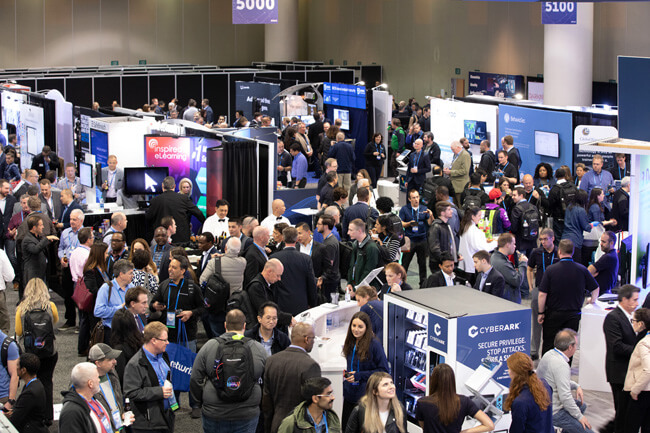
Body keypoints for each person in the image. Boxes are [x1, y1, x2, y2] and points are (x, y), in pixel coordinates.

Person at [190, 309, 267, 433]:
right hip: (247, 412)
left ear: (225, 325)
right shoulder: (258, 348)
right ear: (244, 325)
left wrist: (198, 403)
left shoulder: (209, 346)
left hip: (214, 411)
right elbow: (268, 380)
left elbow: (195, 378)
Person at [538, 239, 599, 355]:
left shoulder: (551, 270)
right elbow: (595, 288)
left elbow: (542, 294)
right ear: (573, 251)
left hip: (553, 315)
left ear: (559, 251)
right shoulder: (582, 269)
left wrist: (541, 313)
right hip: (573, 315)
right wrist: (592, 300)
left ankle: (547, 371)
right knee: (568, 347)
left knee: (549, 344)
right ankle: (565, 370)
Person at [263, 322, 321, 432]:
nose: (313, 342)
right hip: (300, 428)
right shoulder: (311, 366)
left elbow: (267, 403)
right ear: (306, 339)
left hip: (276, 425)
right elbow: (315, 404)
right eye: (313, 338)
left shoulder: (271, 361)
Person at [15, 278, 58, 422]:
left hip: (30, 353)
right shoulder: (50, 306)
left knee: (30, 382)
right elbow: (55, 322)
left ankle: (29, 414)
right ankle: (47, 416)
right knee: (47, 382)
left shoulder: (21, 309)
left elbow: (18, 331)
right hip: (48, 351)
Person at [537, 329, 594, 433]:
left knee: (582, 405)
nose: (576, 348)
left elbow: (557, 381)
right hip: (554, 411)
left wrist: (576, 386)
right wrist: (580, 417)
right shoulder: (561, 365)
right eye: (576, 345)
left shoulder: (549, 354)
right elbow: (565, 397)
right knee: (587, 430)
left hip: (545, 404)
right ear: (570, 347)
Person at [123, 321, 176, 433]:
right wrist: (159, 392)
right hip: (148, 424)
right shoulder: (135, 364)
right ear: (154, 340)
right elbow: (131, 392)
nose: (168, 342)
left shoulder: (164, 355)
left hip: (166, 416)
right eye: (164, 340)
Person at [341, 311, 389, 428]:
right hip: (349, 395)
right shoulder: (350, 342)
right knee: (346, 428)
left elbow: (384, 371)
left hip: (365, 397)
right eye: (354, 326)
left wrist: (359, 375)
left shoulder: (374, 345)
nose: (356, 329)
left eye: (360, 327)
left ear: (367, 328)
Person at [602, 284, 640, 433]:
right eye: (635, 300)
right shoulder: (613, 318)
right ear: (624, 299)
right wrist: (640, 351)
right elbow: (616, 347)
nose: (637, 303)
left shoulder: (632, 316)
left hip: (630, 371)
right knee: (622, 412)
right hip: (619, 373)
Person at [416, 363, 494, 433]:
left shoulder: (422, 403)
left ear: (433, 381)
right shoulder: (464, 401)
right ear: (452, 380)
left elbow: (424, 426)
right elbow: (489, 425)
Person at [526, 229, 559, 360]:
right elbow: (529, 269)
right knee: (536, 321)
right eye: (541, 239)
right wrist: (530, 287)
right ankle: (534, 350)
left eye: (545, 239)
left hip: (554, 292)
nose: (543, 242)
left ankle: (552, 349)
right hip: (539, 290)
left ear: (553, 239)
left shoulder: (559, 252)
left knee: (552, 322)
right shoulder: (537, 252)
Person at [270, 227, 318, 315]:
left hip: (280, 304)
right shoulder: (306, 259)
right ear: (296, 239)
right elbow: (311, 283)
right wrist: (313, 303)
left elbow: (271, 283)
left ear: (283, 239)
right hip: (301, 303)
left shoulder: (274, 258)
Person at [145, 176, 206, 244]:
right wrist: (205, 224)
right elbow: (198, 214)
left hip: (161, 240)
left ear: (162, 186)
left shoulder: (154, 201)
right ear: (174, 186)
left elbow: (148, 219)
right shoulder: (184, 199)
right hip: (182, 240)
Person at [505, 352, 553, 433]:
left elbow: (517, 430)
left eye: (509, 368)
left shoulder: (520, 402)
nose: (508, 371)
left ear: (515, 372)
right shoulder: (545, 385)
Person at [59, 362, 112, 433]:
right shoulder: (71, 413)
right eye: (97, 377)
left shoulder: (94, 398)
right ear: (90, 384)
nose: (99, 380)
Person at [111, 287, 148, 385]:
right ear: (133, 303)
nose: (147, 306)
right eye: (143, 303)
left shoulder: (141, 315)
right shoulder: (122, 318)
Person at [88, 343, 129, 431]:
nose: (115, 361)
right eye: (110, 359)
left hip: (119, 426)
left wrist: (122, 413)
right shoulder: (87, 384)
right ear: (98, 363)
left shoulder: (112, 373)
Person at [94, 259, 135, 344]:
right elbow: (98, 311)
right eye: (130, 273)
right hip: (112, 333)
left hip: (129, 332)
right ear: (121, 274)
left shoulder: (132, 287)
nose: (133, 275)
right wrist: (120, 309)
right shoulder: (106, 288)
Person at [622, 307, 650, 433]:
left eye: (633, 320)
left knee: (630, 426)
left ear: (641, 324)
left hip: (642, 392)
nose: (632, 323)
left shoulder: (644, 343)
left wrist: (635, 390)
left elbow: (648, 370)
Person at [399, 189, 434, 287]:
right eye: (414, 197)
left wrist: (431, 215)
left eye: (417, 197)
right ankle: (401, 283)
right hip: (410, 240)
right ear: (410, 199)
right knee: (405, 263)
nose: (416, 199)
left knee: (422, 264)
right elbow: (401, 223)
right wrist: (408, 224)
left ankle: (423, 284)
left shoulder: (424, 208)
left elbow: (430, 223)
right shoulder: (404, 209)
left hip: (422, 240)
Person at [8, 353, 48, 433]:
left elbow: (15, 419)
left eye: (18, 365)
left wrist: (11, 414)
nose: (16, 368)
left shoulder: (30, 392)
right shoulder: (36, 384)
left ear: (23, 370)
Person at [81, 242, 109, 355]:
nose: (107, 255)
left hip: (102, 304)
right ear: (100, 254)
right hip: (94, 306)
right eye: (106, 253)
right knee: (95, 330)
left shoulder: (102, 268)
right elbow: (93, 289)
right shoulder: (90, 270)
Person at [458, 206, 495, 283]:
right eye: (479, 216)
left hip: (465, 264)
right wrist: (495, 243)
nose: (480, 218)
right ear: (473, 217)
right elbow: (481, 248)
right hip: (472, 266)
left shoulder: (465, 227)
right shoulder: (473, 231)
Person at [490, 233, 527, 304]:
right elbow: (517, 281)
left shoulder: (495, 256)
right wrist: (523, 263)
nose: (515, 246)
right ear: (507, 245)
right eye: (514, 244)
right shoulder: (501, 263)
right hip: (509, 302)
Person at [346, 218, 380, 295]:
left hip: (367, 290)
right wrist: (350, 283)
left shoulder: (371, 248)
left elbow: (369, 272)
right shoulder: (355, 244)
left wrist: (356, 290)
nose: (348, 232)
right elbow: (352, 266)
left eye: (351, 230)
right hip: (357, 286)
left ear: (359, 231)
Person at [22, 215, 58, 285]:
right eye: (41, 225)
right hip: (33, 275)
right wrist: (46, 238)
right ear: (34, 227)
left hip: (41, 273)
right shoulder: (27, 239)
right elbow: (35, 249)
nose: (43, 227)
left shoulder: (38, 237)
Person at [428, 201, 460, 273]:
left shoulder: (446, 225)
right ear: (442, 213)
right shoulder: (436, 227)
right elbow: (434, 248)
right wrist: (444, 259)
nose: (451, 211)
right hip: (439, 264)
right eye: (449, 209)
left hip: (445, 262)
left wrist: (455, 256)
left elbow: (449, 245)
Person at [510, 187, 540, 258]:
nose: (512, 197)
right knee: (530, 265)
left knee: (521, 266)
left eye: (514, 195)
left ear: (521, 195)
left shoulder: (516, 209)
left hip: (520, 242)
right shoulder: (533, 207)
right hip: (532, 240)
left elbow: (514, 228)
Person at [443, 140, 471, 206]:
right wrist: (449, 169)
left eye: (453, 149)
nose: (452, 151)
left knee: (460, 206)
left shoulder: (465, 155)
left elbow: (465, 171)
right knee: (455, 206)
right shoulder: (455, 155)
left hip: (461, 186)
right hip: (454, 186)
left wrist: (451, 172)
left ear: (458, 147)